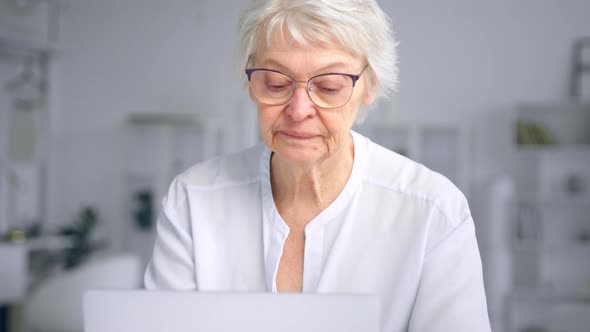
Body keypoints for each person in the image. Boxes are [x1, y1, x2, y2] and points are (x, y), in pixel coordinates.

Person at [144, 0, 492, 331]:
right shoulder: (193, 200)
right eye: (276, 83)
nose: (298, 110)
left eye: (328, 87)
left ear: (369, 85)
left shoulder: (434, 211)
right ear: (250, 82)